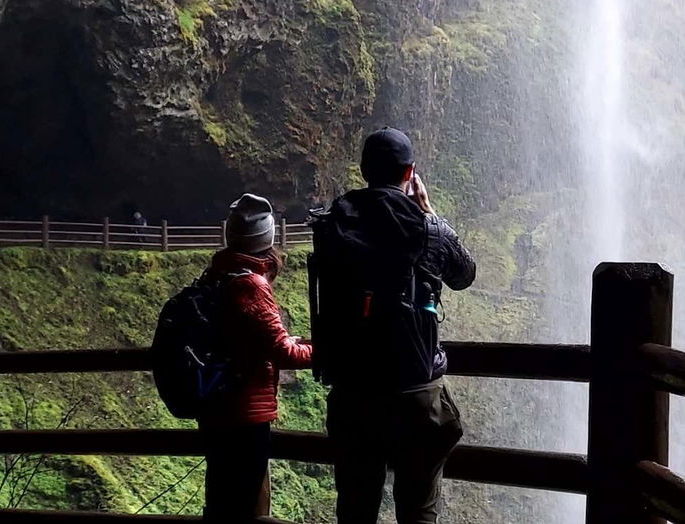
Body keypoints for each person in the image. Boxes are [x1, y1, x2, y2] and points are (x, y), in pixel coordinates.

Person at [312, 127, 476, 524]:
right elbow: (464, 274)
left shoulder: (332, 225)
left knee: (355, 507)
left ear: (364, 169)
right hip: (416, 394)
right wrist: (428, 211)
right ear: (411, 173)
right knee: (418, 508)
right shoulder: (427, 228)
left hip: (353, 392)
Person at [198, 193, 312, 521]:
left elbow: (252, 335)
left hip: (217, 406)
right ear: (266, 240)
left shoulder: (217, 274)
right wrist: (328, 352)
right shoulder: (250, 284)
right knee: (245, 503)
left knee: (221, 496)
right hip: (245, 411)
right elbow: (282, 350)